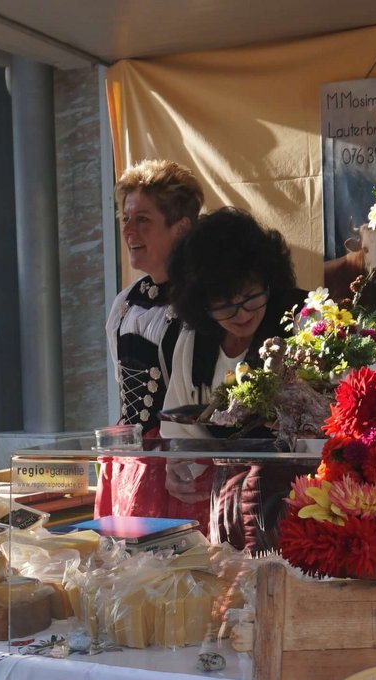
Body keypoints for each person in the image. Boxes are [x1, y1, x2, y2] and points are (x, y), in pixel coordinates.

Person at [160, 208, 303, 551]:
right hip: (228, 510)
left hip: (302, 507)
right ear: (200, 303)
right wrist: (179, 467)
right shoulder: (192, 340)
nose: (242, 314)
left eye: (251, 295)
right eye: (224, 304)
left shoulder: (303, 323)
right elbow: (182, 433)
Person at [95, 158, 205, 525]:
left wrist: (183, 459)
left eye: (143, 220)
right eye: (125, 219)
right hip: (128, 457)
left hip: (180, 460)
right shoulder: (125, 302)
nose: (129, 231)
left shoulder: (203, 304)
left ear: (181, 227)